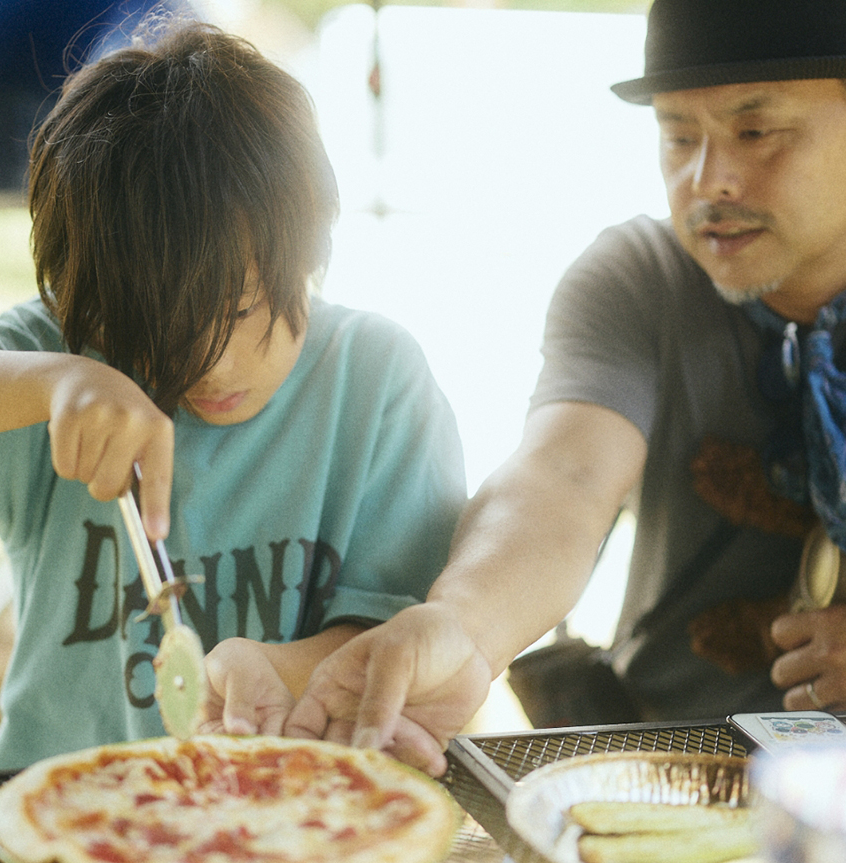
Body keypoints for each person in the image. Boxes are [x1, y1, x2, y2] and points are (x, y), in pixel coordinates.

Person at [0, 18, 465, 863]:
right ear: (82, 295)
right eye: (159, 329)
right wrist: (48, 382)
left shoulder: (378, 381)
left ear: (310, 249)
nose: (210, 365)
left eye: (242, 314)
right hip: (65, 854)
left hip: (323, 843)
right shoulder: (66, 352)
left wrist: (271, 665)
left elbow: (389, 650)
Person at [279, 0, 846, 777]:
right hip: (668, 764)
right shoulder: (638, 281)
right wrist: (462, 627)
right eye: (678, 136)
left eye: (757, 131)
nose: (710, 179)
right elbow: (564, 478)